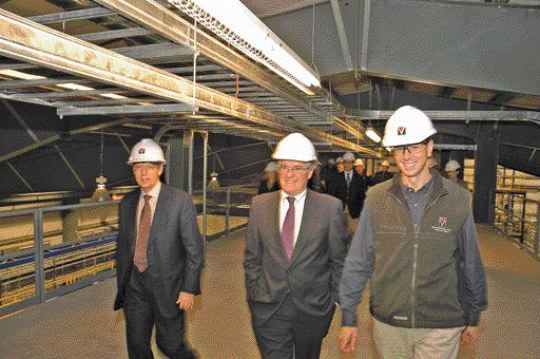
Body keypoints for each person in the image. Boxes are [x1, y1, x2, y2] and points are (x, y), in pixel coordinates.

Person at [339, 106, 488, 358]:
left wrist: (473, 313)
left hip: (441, 322)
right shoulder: (376, 198)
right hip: (389, 322)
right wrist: (348, 315)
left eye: (414, 147)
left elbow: (470, 260)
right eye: (399, 148)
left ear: (430, 148)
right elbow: (358, 259)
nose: (406, 156)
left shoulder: (458, 199)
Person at [244, 132, 347, 359]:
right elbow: (252, 257)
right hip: (269, 308)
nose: (289, 174)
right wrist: (255, 292)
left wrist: (334, 301)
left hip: (312, 310)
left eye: (297, 168)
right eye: (284, 167)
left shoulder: (329, 208)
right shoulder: (260, 205)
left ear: (310, 172)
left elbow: (338, 261)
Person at [114, 138, 204, 359]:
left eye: (150, 167)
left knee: (170, 346)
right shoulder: (127, 202)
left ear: (161, 168)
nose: (143, 173)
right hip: (135, 287)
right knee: (137, 346)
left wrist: (189, 288)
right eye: (138, 167)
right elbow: (123, 246)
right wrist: (123, 284)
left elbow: (194, 249)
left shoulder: (179, 201)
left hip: (169, 288)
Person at [327, 152, 367, 242]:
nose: (348, 164)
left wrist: (361, 212)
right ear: (343, 163)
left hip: (354, 213)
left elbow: (362, 197)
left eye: (350, 162)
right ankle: (342, 254)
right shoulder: (337, 178)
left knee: (354, 236)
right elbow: (332, 194)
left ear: (353, 163)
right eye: (346, 162)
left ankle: (351, 254)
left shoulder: (359, 179)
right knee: (339, 235)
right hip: (339, 211)